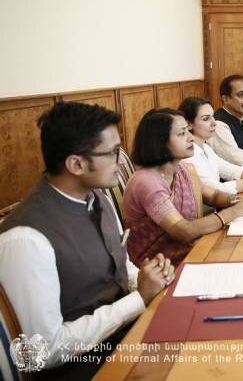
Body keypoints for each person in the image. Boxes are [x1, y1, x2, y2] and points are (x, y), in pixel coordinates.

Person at [0, 102, 174, 380]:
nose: (122, 162)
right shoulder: (26, 239)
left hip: (126, 336)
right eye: (113, 153)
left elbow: (120, 265)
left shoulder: (99, 198)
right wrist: (138, 299)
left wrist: (147, 278)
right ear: (76, 164)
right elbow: (42, 350)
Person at [123, 108, 243, 267]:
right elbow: (183, 231)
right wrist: (236, 211)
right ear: (160, 142)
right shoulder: (146, 182)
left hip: (190, 250)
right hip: (157, 267)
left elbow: (212, 196)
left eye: (188, 131)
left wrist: (238, 202)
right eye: (182, 133)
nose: (190, 138)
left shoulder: (181, 169)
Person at [178, 97, 243, 194]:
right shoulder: (188, 156)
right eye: (206, 119)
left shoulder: (205, 148)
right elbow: (216, 190)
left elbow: (231, 170)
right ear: (188, 124)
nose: (214, 123)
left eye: (213, 116)